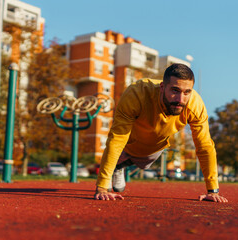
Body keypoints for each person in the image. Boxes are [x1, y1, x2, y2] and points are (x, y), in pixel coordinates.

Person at [94, 63, 228, 203]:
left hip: (154, 146)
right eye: (175, 90)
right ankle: (116, 165)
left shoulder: (195, 105)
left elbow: (205, 145)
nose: (180, 99)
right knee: (120, 149)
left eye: (187, 92)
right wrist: (102, 188)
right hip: (128, 140)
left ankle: (119, 166)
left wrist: (213, 190)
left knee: (146, 162)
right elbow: (117, 139)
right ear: (162, 87)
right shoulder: (136, 94)